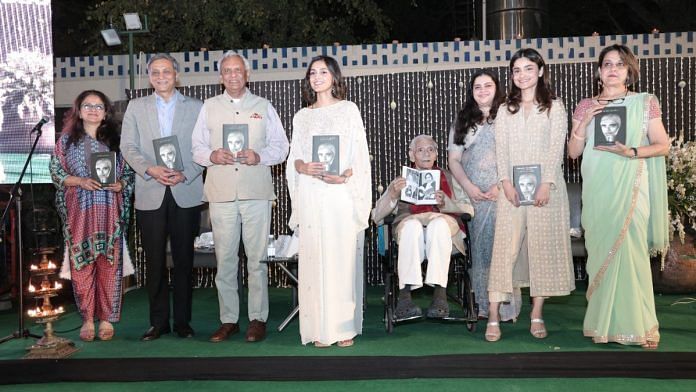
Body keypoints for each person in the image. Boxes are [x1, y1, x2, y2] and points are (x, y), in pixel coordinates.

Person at [567, 44, 669, 349]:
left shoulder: (645, 102)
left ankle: (640, 326)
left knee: (632, 254)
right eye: (607, 64)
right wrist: (584, 124)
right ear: (599, 71)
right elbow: (573, 152)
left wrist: (632, 152)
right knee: (601, 254)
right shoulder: (586, 106)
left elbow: (662, 144)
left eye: (620, 65)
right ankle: (602, 325)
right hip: (598, 191)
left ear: (629, 71)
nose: (613, 69)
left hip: (632, 190)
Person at [192, 50, 289, 343]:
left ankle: (257, 319)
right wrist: (212, 154)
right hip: (221, 195)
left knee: (257, 260)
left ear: (247, 75)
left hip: (255, 194)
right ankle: (229, 320)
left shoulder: (263, 106)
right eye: (227, 71)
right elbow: (196, 147)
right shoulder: (208, 107)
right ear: (221, 77)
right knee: (225, 260)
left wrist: (258, 155)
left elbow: (282, 147)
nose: (233, 75)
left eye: (238, 70)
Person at [485, 48, 575, 342]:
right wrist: (504, 182)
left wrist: (546, 182)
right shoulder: (504, 109)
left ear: (540, 71)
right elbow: (501, 150)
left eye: (527, 68)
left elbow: (555, 150)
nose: (521, 75)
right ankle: (494, 315)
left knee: (541, 251)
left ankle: (536, 315)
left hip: (546, 191)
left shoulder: (555, 107)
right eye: (516, 70)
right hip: (510, 191)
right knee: (505, 251)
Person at [287, 55, 371, 347]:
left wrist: (346, 175)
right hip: (311, 193)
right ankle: (320, 330)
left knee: (340, 260)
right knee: (315, 261)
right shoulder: (302, 116)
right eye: (313, 72)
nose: (318, 76)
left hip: (340, 195)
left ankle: (342, 328)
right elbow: (294, 158)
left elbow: (358, 156)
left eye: (324, 71)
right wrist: (303, 167)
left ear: (335, 76)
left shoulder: (349, 110)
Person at [121, 53, 204, 341]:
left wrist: (188, 173)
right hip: (150, 191)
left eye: (166, 71)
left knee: (184, 260)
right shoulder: (136, 106)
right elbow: (128, 147)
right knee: (154, 261)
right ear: (149, 77)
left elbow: (204, 147)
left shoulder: (196, 107)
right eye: (155, 72)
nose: (161, 76)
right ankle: (158, 323)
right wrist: (150, 169)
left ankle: (183, 322)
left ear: (176, 75)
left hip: (185, 191)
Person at [50, 90, 134, 342]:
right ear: (78, 110)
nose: (93, 110)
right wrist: (79, 181)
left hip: (110, 212)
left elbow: (129, 174)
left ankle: (107, 319)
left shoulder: (117, 141)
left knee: (109, 266)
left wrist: (120, 184)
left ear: (106, 112)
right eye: (88, 105)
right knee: (82, 266)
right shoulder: (65, 141)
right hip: (79, 213)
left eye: (99, 106)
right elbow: (56, 171)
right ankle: (87, 318)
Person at [373, 135, 473, 319]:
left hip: (443, 232)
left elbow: (469, 209)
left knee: (438, 225)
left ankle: (439, 295)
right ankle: (405, 297)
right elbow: (376, 215)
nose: (426, 153)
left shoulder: (449, 178)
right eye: (420, 150)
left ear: (436, 154)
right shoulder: (401, 181)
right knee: (412, 226)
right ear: (412, 155)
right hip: (411, 233)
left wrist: (446, 204)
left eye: (430, 149)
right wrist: (393, 195)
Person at [448, 69, 519, 321]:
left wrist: (500, 186)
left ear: (497, 88)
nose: (482, 91)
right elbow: (454, 160)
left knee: (504, 249)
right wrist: (469, 188)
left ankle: (507, 309)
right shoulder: (463, 120)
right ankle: (481, 306)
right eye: (477, 87)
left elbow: (517, 155)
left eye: (487, 86)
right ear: (472, 92)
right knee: (480, 251)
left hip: (504, 192)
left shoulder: (509, 116)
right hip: (474, 196)